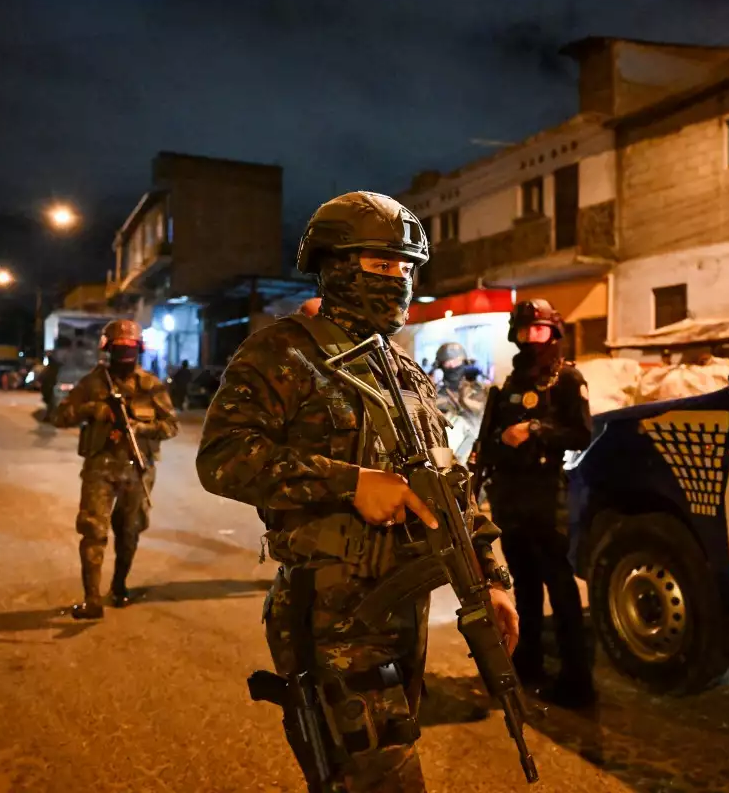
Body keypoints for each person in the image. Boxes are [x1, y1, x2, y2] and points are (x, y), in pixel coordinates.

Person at [195, 190, 518, 792]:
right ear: (335, 263)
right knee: (382, 778)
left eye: (406, 267)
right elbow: (222, 459)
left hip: (404, 612)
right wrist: (350, 483)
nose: (397, 279)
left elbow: (453, 489)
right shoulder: (283, 352)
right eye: (379, 264)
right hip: (331, 620)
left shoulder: (405, 372)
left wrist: (493, 580)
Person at [479, 299, 596, 709]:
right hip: (510, 498)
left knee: (561, 590)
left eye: (540, 331)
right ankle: (528, 665)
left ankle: (577, 679)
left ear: (554, 333)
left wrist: (534, 429)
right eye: (526, 331)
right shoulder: (508, 384)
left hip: (547, 495)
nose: (532, 338)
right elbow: (488, 442)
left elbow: (582, 433)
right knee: (524, 587)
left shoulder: (566, 378)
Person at [53, 319, 180, 619]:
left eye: (130, 348)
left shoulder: (150, 386)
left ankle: (119, 587)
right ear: (107, 349)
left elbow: (171, 426)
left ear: (139, 349)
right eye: (119, 348)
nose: (125, 354)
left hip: (138, 470)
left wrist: (139, 427)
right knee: (93, 531)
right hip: (100, 468)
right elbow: (60, 416)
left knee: (129, 532)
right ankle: (92, 599)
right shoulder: (92, 383)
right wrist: (94, 410)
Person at [433, 342, 488, 465]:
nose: (452, 365)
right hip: (442, 446)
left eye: (456, 361)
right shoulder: (435, 390)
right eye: (448, 362)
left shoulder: (477, 388)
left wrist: (465, 401)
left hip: (471, 442)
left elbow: (481, 414)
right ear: (441, 365)